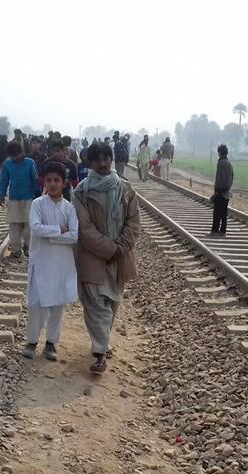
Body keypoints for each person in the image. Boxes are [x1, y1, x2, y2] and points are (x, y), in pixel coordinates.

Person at [73, 141, 140, 375]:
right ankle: (100, 353)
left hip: (119, 258)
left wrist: (120, 248)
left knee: (112, 304)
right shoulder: (81, 191)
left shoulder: (126, 189)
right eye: (97, 159)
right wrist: (109, 249)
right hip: (92, 257)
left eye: (106, 158)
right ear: (90, 162)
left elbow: (133, 223)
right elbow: (85, 228)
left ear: (111, 160)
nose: (102, 163)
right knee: (95, 307)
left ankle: (102, 340)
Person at [22, 161, 79, 362]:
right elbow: (36, 228)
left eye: (57, 180)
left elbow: (74, 236)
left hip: (61, 264)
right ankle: (31, 341)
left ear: (64, 183)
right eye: (49, 180)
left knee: (57, 305)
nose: (53, 184)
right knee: (36, 304)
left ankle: (51, 343)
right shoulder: (37, 204)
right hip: (41, 262)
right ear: (43, 182)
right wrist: (59, 230)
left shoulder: (69, 208)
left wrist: (52, 234)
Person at [0, 141, 38, 258]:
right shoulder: (8, 164)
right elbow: (4, 180)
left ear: (22, 152)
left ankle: (28, 246)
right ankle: (16, 249)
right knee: (14, 227)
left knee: (29, 226)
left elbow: (34, 180)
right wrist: (1, 195)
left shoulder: (30, 163)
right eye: (13, 156)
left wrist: (37, 196)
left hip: (29, 199)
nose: (16, 158)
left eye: (17, 154)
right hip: (14, 199)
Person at [210, 144, 234, 235]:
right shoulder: (229, 163)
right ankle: (223, 231)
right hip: (227, 192)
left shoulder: (221, 163)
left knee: (216, 213)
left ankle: (214, 231)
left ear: (220, 153)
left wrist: (216, 190)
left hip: (220, 191)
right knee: (224, 213)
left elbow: (219, 178)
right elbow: (232, 177)